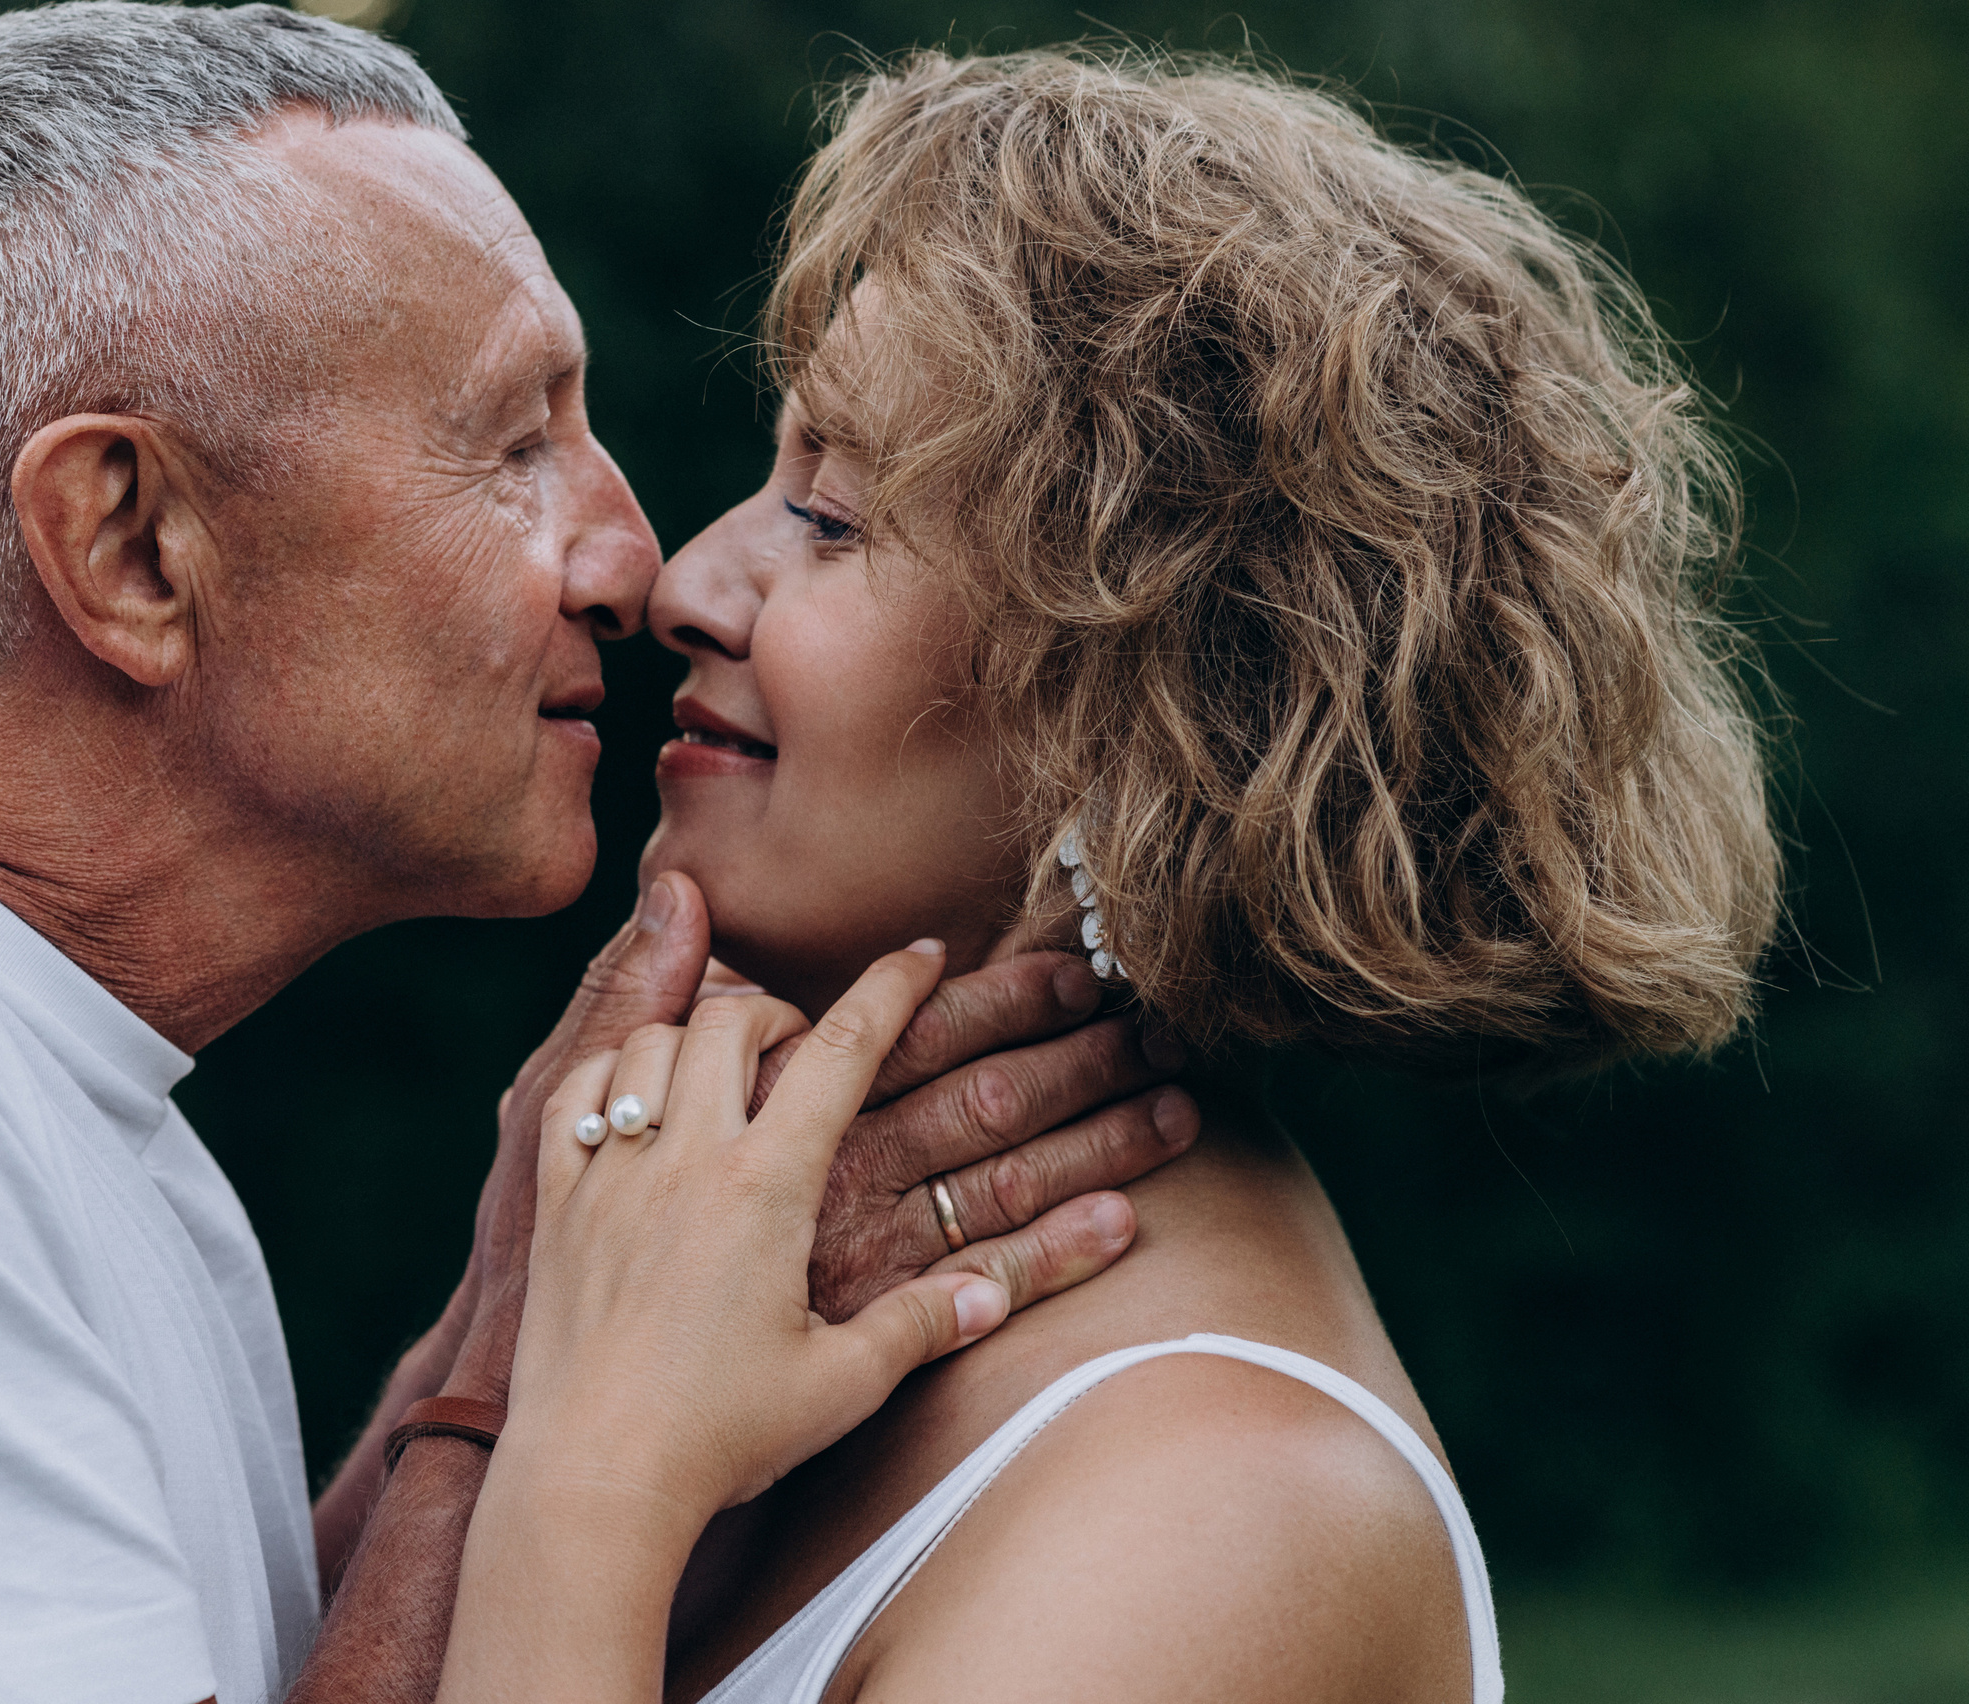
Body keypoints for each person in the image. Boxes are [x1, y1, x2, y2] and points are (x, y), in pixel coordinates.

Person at [0, 11, 1203, 1704]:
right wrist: (535, 1374)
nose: (632, 562)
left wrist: (505, 1311)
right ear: (129, 546)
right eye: (515, 444)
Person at [434, 46, 1780, 1704]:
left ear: (1149, 714)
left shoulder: (1225, 1523)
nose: (688, 584)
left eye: (834, 517)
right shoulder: (709, 1275)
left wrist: (587, 1489)